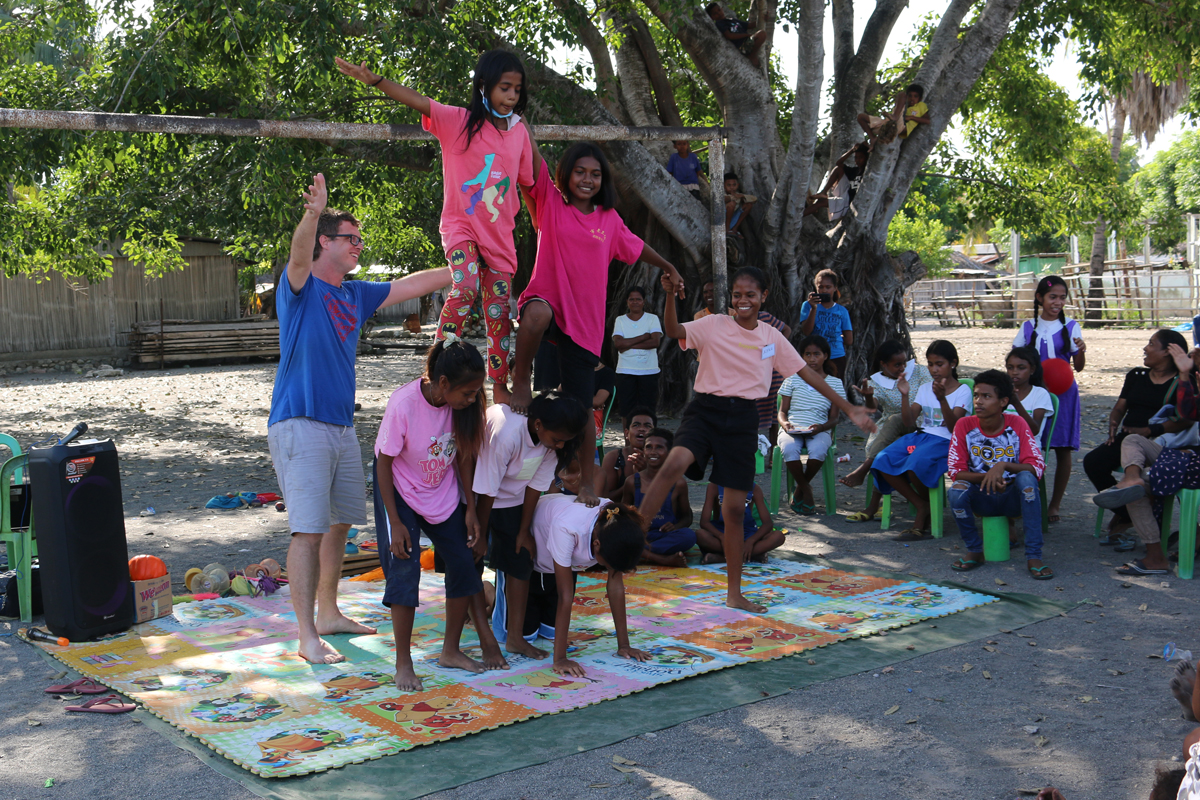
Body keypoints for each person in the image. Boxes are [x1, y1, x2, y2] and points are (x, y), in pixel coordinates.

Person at [267, 172, 451, 665]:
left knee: (341, 520)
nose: (359, 246)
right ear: (327, 241)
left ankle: (328, 611)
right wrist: (311, 213)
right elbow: (298, 256)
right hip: (299, 423)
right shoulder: (300, 288)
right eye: (351, 238)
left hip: (341, 428)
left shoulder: (356, 293)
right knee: (307, 530)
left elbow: (411, 284)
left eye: (359, 239)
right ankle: (307, 636)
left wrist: (461, 267)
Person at [636, 266, 875, 612]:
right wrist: (671, 294)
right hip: (705, 410)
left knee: (733, 511)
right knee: (675, 461)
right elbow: (672, 330)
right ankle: (631, 537)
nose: (742, 300)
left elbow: (807, 374)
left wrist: (849, 409)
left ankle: (734, 593)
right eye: (736, 294)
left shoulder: (771, 337)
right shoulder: (714, 323)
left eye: (750, 294)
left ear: (763, 297)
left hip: (743, 421)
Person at [336, 50, 534, 405]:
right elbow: (418, 100)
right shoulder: (457, 121)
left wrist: (539, 222)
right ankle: (439, 360)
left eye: (517, 90)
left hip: (500, 236)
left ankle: (499, 385)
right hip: (461, 227)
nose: (512, 96)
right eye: (505, 88)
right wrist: (375, 80)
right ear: (485, 87)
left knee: (499, 311)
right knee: (466, 284)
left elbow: (527, 182)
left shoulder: (519, 133)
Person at [508, 139, 683, 503]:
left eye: (596, 174)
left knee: (582, 408)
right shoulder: (550, 202)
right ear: (565, 175)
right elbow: (534, 155)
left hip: (584, 322)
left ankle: (584, 478)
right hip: (548, 302)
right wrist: (517, 117)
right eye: (580, 172)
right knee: (537, 314)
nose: (587, 179)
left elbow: (635, 244)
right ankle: (520, 378)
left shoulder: (609, 220)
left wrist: (666, 265)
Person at [372, 338, 507, 691]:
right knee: (405, 565)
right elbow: (384, 464)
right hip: (399, 489)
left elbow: (463, 457)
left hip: (441, 492)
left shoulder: (464, 408)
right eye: (468, 392)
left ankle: (450, 650)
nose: (473, 399)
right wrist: (397, 523)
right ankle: (404, 662)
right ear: (443, 384)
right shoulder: (403, 403)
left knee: (464, 560)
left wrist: (471, 511)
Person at [473, 391, 589, 657]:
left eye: (565, 442)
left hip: (511, 498)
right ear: (538, 425)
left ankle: (515, 638)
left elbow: (536, 487)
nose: (560, 446)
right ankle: (481, 630)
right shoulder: (507, 434)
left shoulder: (552, 443)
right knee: (471, 562)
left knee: (521, 557)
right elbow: (487, 489)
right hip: (476, 496)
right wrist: (480, 533)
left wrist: (524, 531)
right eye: (557, 439)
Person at [1093, 341, 1200, 575]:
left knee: (1145, 489)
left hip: (1191, 462)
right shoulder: (1189, 379)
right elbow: (1190, 413)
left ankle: (1162, 553)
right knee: (1132, 446)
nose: (1194, 357)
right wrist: (1184, 374)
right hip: (1184, 459)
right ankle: (1132, 480)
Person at [945, 370, 1051, 580]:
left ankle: (1034, 556)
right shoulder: (964, 425)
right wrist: (988, 478)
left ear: (1003, 401)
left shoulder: (1017, 423)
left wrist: (1003, 466)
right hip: (981, 496)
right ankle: (975, 550)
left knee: (1027, 479)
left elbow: (1037, 466)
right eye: (976, 395)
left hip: (1013, 498)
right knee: (956, 491)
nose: (979, 402)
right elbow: (956, 471)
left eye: (986, 396)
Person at [527, 498, 650, 678]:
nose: (611, 570)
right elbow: (566, 595)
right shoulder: (567, 527)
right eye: (609, 565)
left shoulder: (615, 525)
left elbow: (616, 588)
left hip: (563, 566)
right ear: (596, 545)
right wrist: (560, 658)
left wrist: (624, 645)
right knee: (523, 634)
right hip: (529, 563)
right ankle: (490, 594)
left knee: (550, 631)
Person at [1085, 329, 1187, 543]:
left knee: (1157, 476)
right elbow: (1121, 406)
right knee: (1093, 462)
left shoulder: (1181, 382)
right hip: (1127, 438)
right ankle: (1128, 513)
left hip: (1162, 442)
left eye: (1151, 344)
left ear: (1168, 352)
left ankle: (1136, 515)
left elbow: (1185, 420)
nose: (1145, 348)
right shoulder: (1136, 376)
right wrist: (1114, 420)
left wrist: (1150, 431)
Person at [870, 339, 972, 541]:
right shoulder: (925, 388)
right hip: (921, 436)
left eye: (939, 364)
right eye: (930, 364)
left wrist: (942, 399)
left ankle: (921, 516)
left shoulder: (963, 391)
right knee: (882, 459)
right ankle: (921, 505)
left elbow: (954, 428)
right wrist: (905, 396)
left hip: (947, 441)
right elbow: (909, 421)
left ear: (953, 363)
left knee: (916, 462)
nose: (934, 369)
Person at [1013, 275, 1086, 524]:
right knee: (1032, 445)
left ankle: (1054, 504)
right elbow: (1015, 361)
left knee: (1062, 448)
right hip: (1035, 395)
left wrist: (1082, 350)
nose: (1058, 302)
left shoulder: (1071, 326)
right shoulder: (1028, 327)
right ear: (1039, 298)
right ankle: (1031, 499)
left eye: (1062, 297)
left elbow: (1080, 367)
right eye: (1052, 296)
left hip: (1065, 395)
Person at [841, 340, 933, 521]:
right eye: (896, 364)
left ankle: (867, 480)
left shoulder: (920, 372)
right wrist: (867, 397)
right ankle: (874, 503)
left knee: (894, 421)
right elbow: (873, 406)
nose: (902, 368)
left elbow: (928, 398)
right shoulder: (877, 381)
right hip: (893, 427)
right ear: (883, 364)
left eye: (904, 363)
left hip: (921, 419)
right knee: (886, 439)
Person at [777, 335, 845, 515]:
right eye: (807, 354)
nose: (812, 358)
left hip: (819, 429)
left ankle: (800, 489)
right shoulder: (792, 379)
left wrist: (822, 427)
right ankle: (807, 490)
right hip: (792, 427)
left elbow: (835, 418)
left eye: (816, 354)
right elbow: (782, 412)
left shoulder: (834, 383)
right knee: (789, 448)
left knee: (819, 450)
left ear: (826, 356)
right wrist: (785, 424)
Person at [620, 427, 697, 566]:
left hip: (664, 537)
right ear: (643, 451)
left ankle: (641, 554)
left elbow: (687, 517)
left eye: (659, 447)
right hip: (641, 536)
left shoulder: (678, 483)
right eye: (649, 447)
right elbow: (623, 517)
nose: (653, 452)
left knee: (689, 536)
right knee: (619, 536)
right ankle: (660, 558)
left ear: (670, 453)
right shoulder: (632, 482)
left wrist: (675, 526)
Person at [697, 483, 783, 564]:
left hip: (748, 533)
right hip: (723, 532)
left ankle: (722, 558)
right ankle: (752, 556)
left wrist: (751, 541)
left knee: (778, 536)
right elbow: (704, 522)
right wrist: (722, 537)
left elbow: (768, 524)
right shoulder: (714, 487)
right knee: (699, 535)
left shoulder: (754, 488)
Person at [612, 287, 663, 419]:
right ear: (627, 302)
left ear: (644, 301)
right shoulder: (620, 320)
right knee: (626, 409)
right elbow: (618, 344)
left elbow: (655, 342)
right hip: (625, 371)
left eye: (638, 299)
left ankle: (648, 438)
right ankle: (628, 439)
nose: (635, 302)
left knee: (648, 409)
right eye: (632, 299)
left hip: (649, 370)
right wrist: (643, 337)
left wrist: (628, 345)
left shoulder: (652, 319)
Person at [799, 269, 854, 378]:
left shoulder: (842, 311)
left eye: (828, 287)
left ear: (835, 288)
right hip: (814, 357)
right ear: (816, 288)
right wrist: (813, 309)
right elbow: (806, 331)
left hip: (836, 356)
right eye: (820, 287)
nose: (824, 290)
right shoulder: (808, 306)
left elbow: (849, 340)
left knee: (834, 389)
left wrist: (835, 336)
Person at [598, 408, 656, 499]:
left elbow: (667, 497)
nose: (641, 429)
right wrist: (634, 480)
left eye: (647, 426)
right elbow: (605, 499)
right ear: (626, 433)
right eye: (636, 425)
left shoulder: (662, 458)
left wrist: (649, 474)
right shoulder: (613, 458)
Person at [1005, 346, 1055, 442]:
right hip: (1001, 446)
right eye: (1010, 368)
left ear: (1032, 370)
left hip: (1029, 449)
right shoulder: (1002, 391)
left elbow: (1034, 430)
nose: (1015, 372)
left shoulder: (1040, 394)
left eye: (1021, 368)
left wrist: (1016, 403)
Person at [809, 143, 868, 221]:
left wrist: (868, 146)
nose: (858, 160)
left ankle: (797, 216)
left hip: (851, 204)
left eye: (861, 157)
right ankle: (823, 192)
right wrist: (851, 150)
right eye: (856, 158)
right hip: (844, 199)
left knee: (821, 203)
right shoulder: (853, 171)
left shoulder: (868, 172)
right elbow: (839, 163)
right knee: (838, 169)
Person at [856, 84, 930, 145]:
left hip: (899, 127)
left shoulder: (920, 106)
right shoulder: (903, 106)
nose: (912, 98)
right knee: (861, 117)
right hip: (886, 126)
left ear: (920, 98)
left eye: (915, 96)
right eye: (910, 96)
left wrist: (911, 117)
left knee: (901, 94)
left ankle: (894, 117)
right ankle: (872, 138)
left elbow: (927, 121)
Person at [705, 3, 772, 68]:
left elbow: (750, 25)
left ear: (722, 9)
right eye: (715, 14)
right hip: (742, 45)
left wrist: (763, 19)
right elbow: (729, 36)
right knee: (762, 34)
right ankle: (752, 56)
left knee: (768, 44)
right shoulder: (720, 23)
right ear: (712, 17)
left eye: (719, 10)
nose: (719, 13)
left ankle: (756, 57)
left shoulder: (732, 20)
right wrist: (746, 35)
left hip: (748, 41)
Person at [724, 172, 757, 238]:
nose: (732, 187)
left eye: (734, 185)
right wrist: (731, 197)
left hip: (732, 220)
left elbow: (754, 199)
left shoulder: (738, 195)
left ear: (738, 185)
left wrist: (742, 196)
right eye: (729, 185)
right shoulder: (722, 193)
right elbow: (722, 199)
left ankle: (734, 229)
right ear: (724, 185)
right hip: (721, 222)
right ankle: (727, 230)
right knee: (731, 204)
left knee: (748, 205)